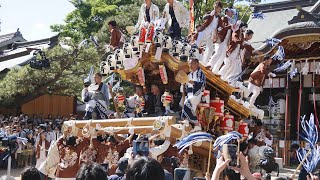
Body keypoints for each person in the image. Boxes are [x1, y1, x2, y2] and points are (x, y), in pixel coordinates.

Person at [207, 7, 235, 74]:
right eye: (231, 12)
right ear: (227, 12)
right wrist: (230, 26)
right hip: (221, 38)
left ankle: (215, 70)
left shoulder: (231, 20)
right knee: (218, 52)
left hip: (226, 40)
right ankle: (209, 65)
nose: (232, 13)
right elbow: (222, 27)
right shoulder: (224, 18)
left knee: (222, 56)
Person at [181, 58, 206, 126]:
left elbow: (202, 83)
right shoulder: (189, 75)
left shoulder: (200, 73)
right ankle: (195, 124)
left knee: (187, 102)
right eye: (190, 64)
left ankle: (186, 119)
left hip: (197, 93)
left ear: (197, 64)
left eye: (192, 63)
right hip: (189, 93)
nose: (190, 65)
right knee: (190, 106)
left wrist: (193, 82)